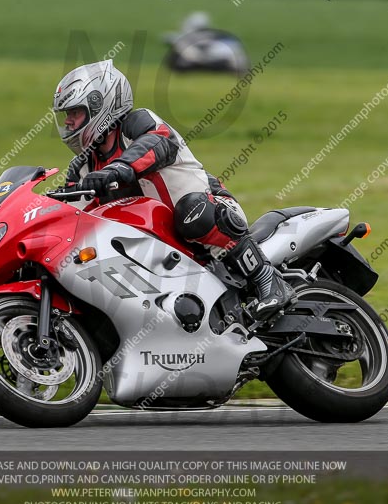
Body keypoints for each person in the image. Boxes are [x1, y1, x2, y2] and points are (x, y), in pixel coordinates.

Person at [53, 60, 294, 321]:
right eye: (66, 115)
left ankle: (266, 278)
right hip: (157, 246)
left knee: (192, 211)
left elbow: (158, 142)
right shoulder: (82, 166)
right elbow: (71, 213)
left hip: (209, 213)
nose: (67, 122)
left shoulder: (138, 124)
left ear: (100, 106)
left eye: (74, 112)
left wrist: (119, 168)